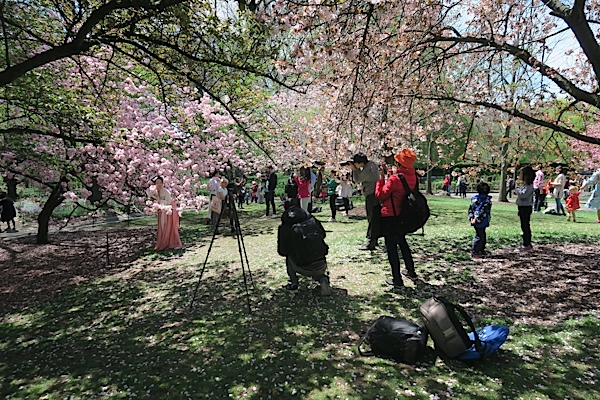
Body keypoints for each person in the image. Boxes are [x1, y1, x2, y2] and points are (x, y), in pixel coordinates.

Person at [375, 149, 418, 288]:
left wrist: (381, 179)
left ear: (399, 163)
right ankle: (411, 271)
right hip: (404, 216)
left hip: (390, 215)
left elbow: (380, 195)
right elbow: (402, 184)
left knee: (392, 248)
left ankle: (397, 279)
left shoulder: (394, 179)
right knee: (402, 242)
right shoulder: (413, 177)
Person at [277, 202, 332, 295]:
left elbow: (282, 251)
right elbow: (323, 234)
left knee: (288, 255)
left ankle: (294, 282)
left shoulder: (284, 227)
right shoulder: (311, 220)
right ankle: (322, 278)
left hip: (302, 266)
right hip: (321, 263)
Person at [350, 153, 380, 250]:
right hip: (374, 194)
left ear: (361, 162)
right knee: (373, 217)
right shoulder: (371, 164)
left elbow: (357, 179)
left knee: (371, 217)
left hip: (371, 195)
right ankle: (374, 239)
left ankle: (371, 240)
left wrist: (354, 169)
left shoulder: (368, 169)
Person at [148, 177, 182, 251]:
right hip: (162, 210)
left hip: (169, 210)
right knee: (162, 226)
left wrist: (159, 200)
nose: (159, 184)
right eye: (157, 183)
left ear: (163, 183)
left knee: (169, 226)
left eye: (160, 182)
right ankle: (163, 242)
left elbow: (169, 201)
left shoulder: (166, 191)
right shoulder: (156, 191)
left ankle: (172, 242)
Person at [468, 181, 492, 259]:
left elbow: (471, 209)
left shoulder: (474, 199)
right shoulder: (487, 201)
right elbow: (483, 211)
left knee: (482, 235)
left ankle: (481, 250)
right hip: (482, 221)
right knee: (479, 235)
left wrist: (471, 217)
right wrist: (477, 219)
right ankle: (475, 251)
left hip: (475, 219)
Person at [515, 166, 535, 252]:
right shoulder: (525, 185)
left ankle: (526, 244)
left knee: (525, 225)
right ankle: (526, 243)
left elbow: (522, 195)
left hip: (526, 207)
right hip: (522, 207)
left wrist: (516, 186)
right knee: (524, 225)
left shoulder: (529, 186)